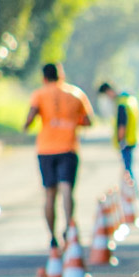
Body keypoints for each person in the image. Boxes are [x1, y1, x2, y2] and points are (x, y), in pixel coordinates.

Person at [24, 63, 93, 248]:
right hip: (68, 148)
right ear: (61, 75)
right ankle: (69, 228)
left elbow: (30, 118)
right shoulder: (76, 94)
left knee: (49, 194)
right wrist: (70, 121)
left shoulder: (39, 94)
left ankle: (52, 236)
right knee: (67, 190)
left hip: (45, 150)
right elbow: (87, 120)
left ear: (44, 77)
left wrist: (27, 125)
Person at [98, 82, 139, 182]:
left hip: (126, 142)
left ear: (109, 91)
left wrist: (120, 140)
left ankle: (131, 195)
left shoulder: (121, 104)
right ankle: (134, 194)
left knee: (128, 173)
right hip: (133, 138)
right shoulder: (129, 100)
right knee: (132, 170)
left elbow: (122, 125)